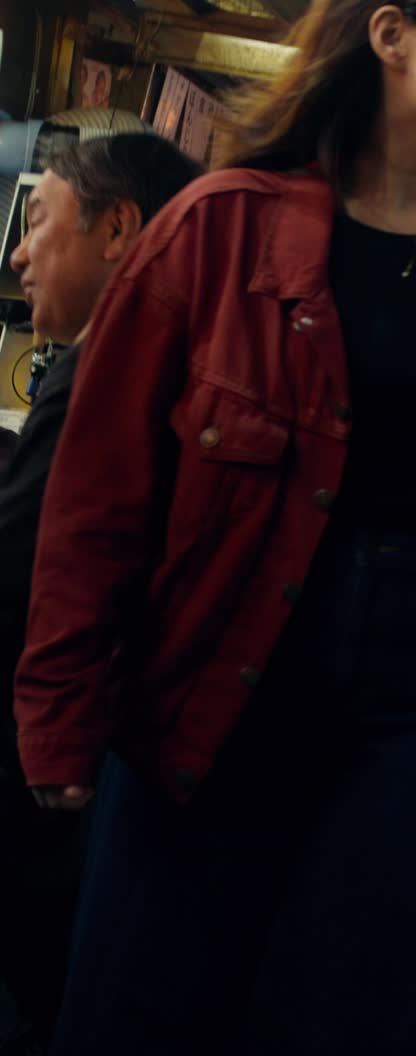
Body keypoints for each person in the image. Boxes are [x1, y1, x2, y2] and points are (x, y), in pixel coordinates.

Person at [14, 0, 416, 1056]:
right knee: (154, 998)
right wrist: (58, 712)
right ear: (393, 35)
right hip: (215, 671)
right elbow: (98, 501)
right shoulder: (218, 228)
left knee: (358, 1012)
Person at [0, 132, 201, 1049]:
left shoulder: (103, 383)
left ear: (118, 231)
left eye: (38, 220)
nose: (18, 253)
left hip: (59, 789)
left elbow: (20, 574)